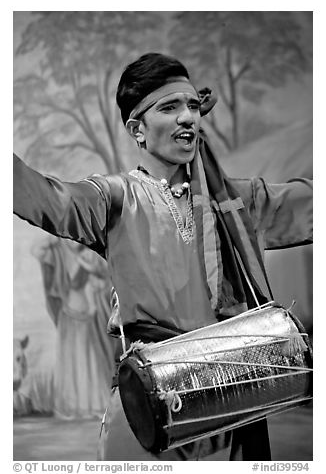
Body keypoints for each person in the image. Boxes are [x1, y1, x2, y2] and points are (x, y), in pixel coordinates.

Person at [13, 53, 312, 461]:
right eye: (169, 107)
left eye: (192, 106)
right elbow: (47, 198)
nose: (187, 117)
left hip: (229, 407)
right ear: (137, 129)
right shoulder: (115, 198)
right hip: (151, 409)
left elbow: (310, 205)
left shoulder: (235, 202)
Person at [33, 236, 116, 419]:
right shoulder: (63, 250)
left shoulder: (86, 255)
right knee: (74, 359)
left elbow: (97, 277)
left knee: (88, 360)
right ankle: (75, 406)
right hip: (72, 311)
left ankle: (91, 405)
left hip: (84, 312)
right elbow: (39, 250)